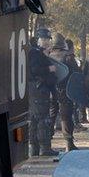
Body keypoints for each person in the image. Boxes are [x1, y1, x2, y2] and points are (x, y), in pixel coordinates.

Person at [29, 28, 59, 156]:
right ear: (38, 39)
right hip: (39, 90)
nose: (47, 42)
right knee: (42, 119)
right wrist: (49, 68)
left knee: (35, 119)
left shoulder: (37, 53)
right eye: (44, 39)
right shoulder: (35, 53)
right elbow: (34, 70)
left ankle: (34, 148)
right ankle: (44, 148)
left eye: (48, 39)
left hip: (37, 90)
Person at [48, 34, 80, 152]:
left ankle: (47, 144)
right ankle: (69, 143)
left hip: (51, 91)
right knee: (66, 117)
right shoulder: (68, 56)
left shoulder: (48, 56)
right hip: (65, 91)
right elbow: (76, 72)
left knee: (51, 116)